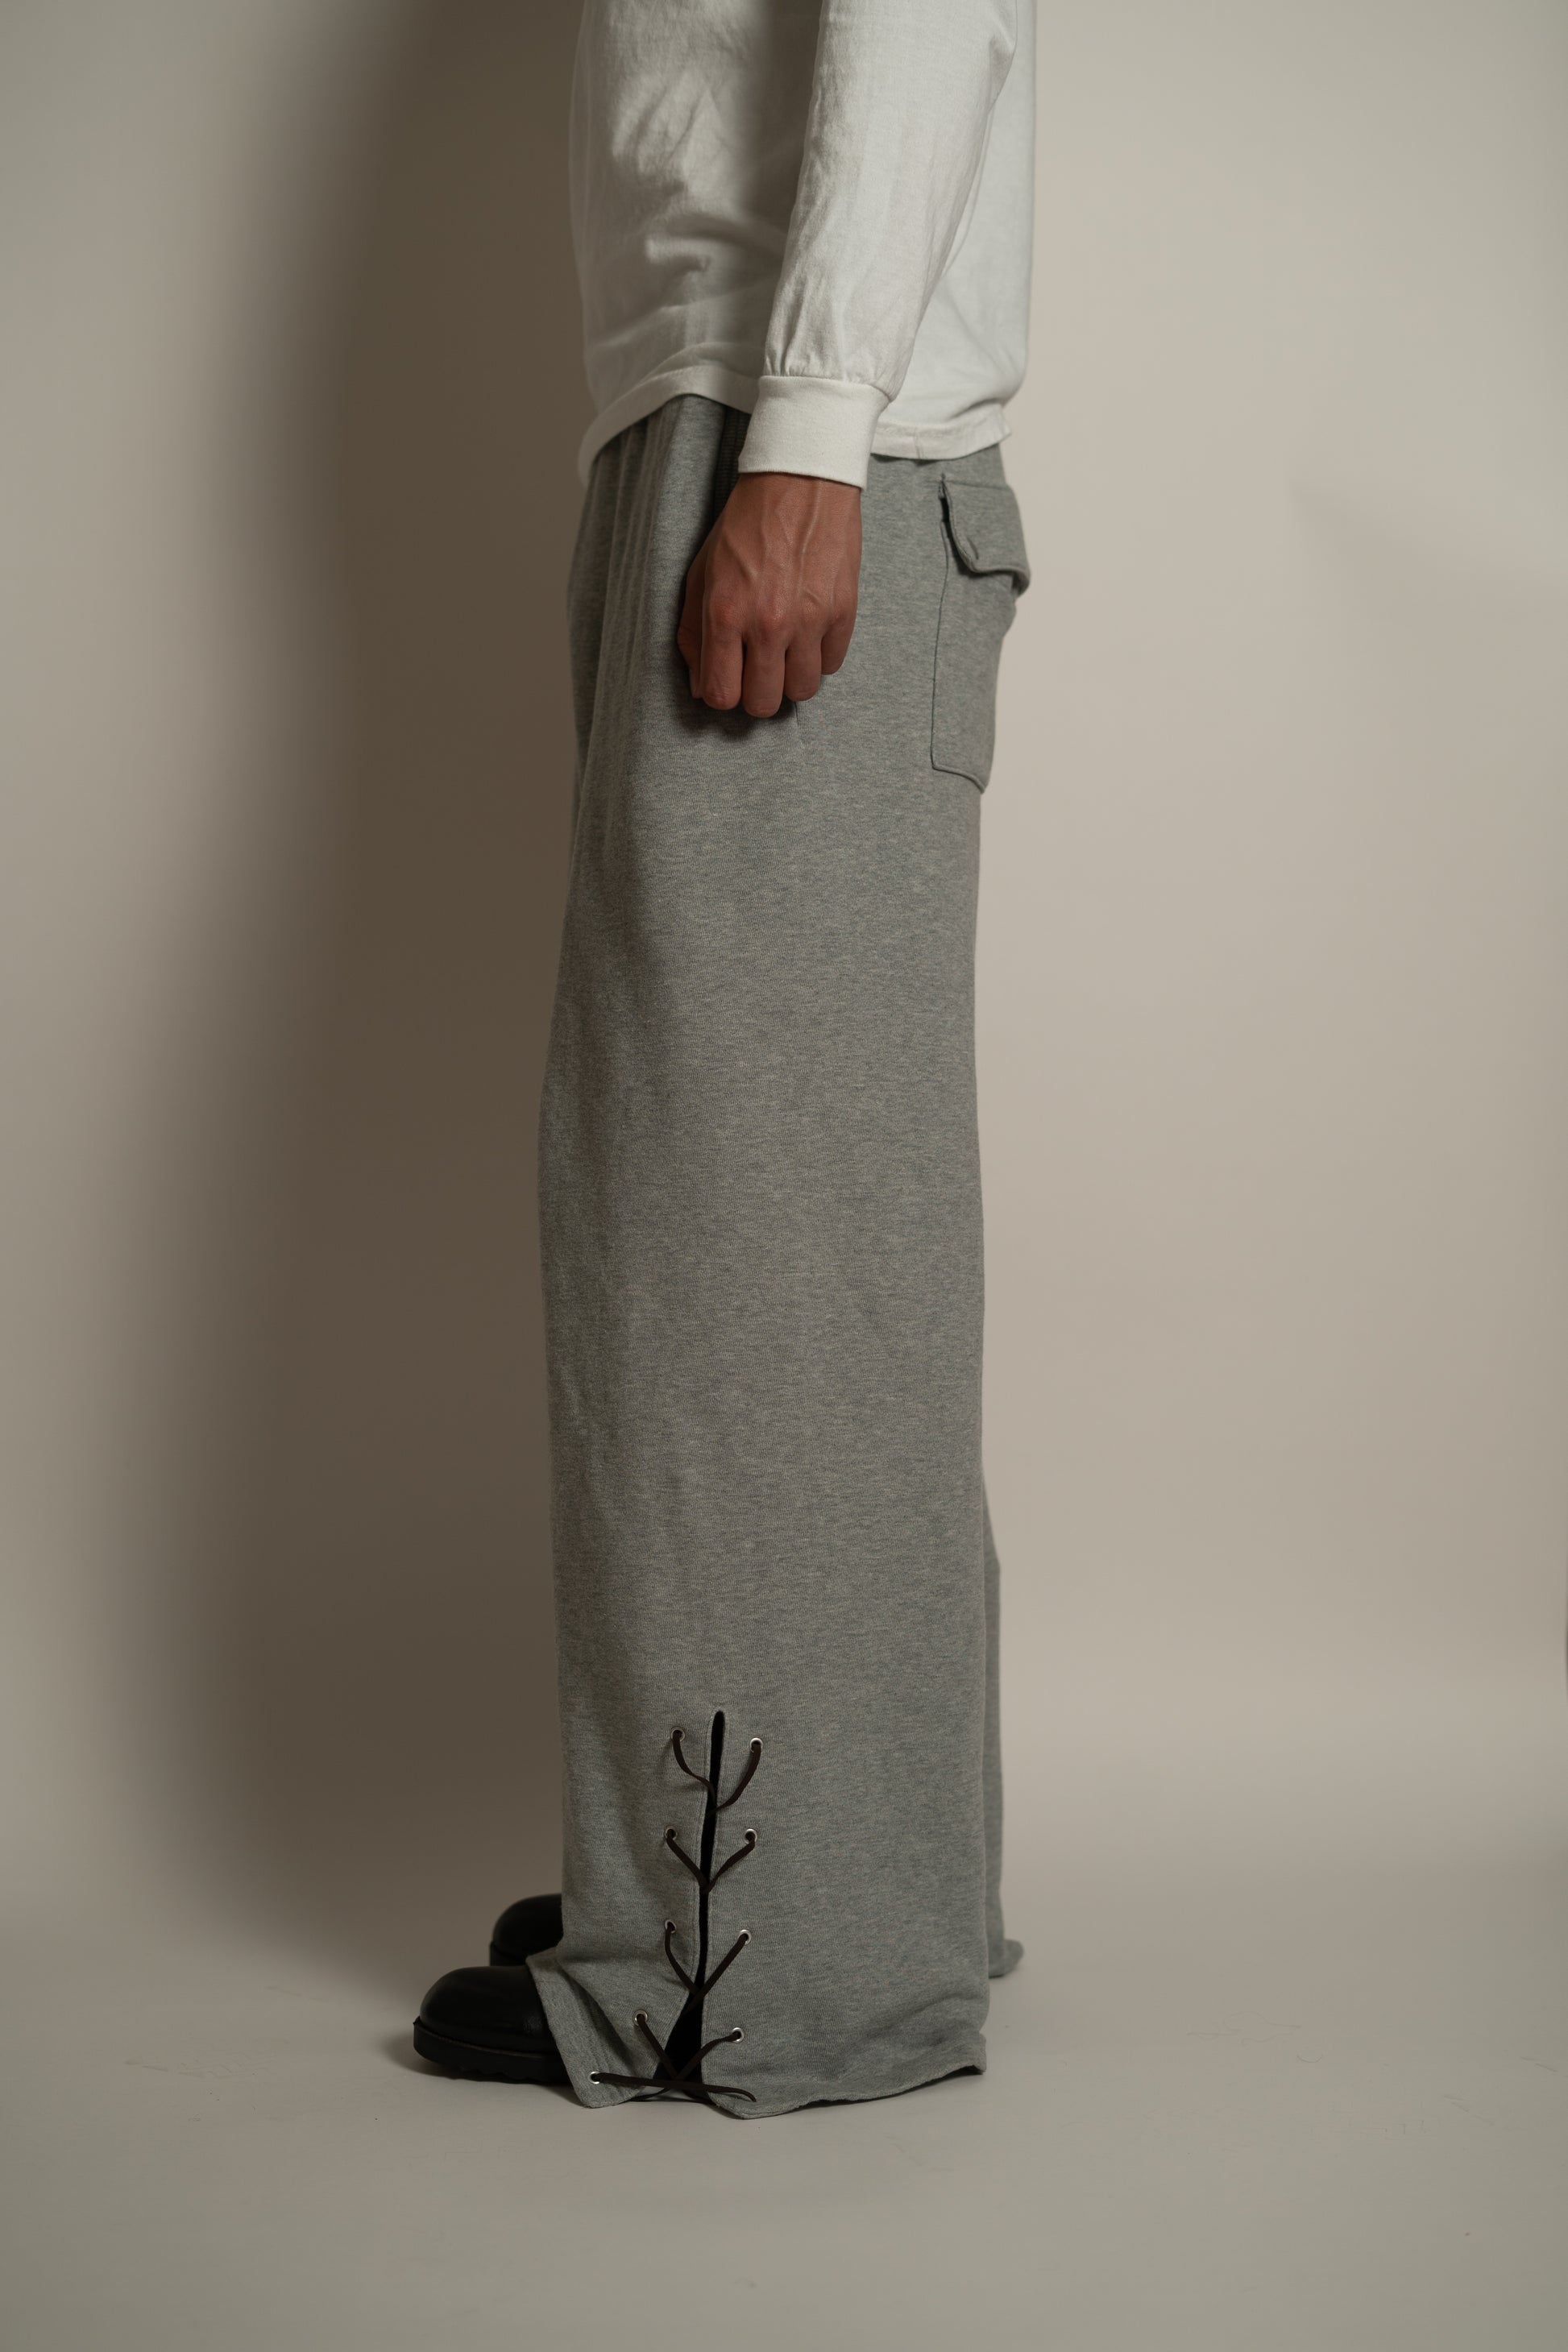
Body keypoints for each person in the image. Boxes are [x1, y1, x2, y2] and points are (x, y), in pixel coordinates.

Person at [413, 0, 1035, 2119]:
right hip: (732, 416)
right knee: (774, 1226)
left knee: (725, 1247)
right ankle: (838, 1889)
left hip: (784, 431)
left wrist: (803, 444)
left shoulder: (800, 429)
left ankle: (740, 1969)